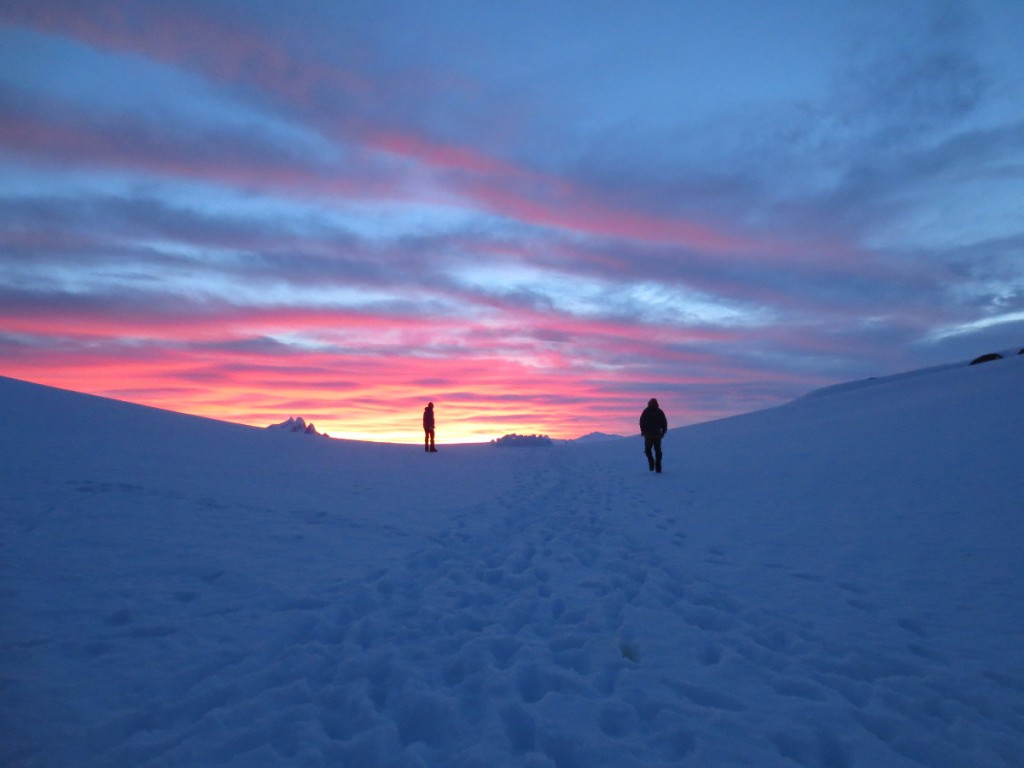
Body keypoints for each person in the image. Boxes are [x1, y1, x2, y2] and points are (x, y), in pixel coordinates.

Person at [639, 397, 668, 472]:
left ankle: (653, 463)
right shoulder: (659, 411)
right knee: (657, 450)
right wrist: (663, 432)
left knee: (649, 450)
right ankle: (656, 465)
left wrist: (642, 430)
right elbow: (664, 423)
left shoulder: (647, 411)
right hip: (656, 435)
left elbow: (641, 422)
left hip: (650, 435)